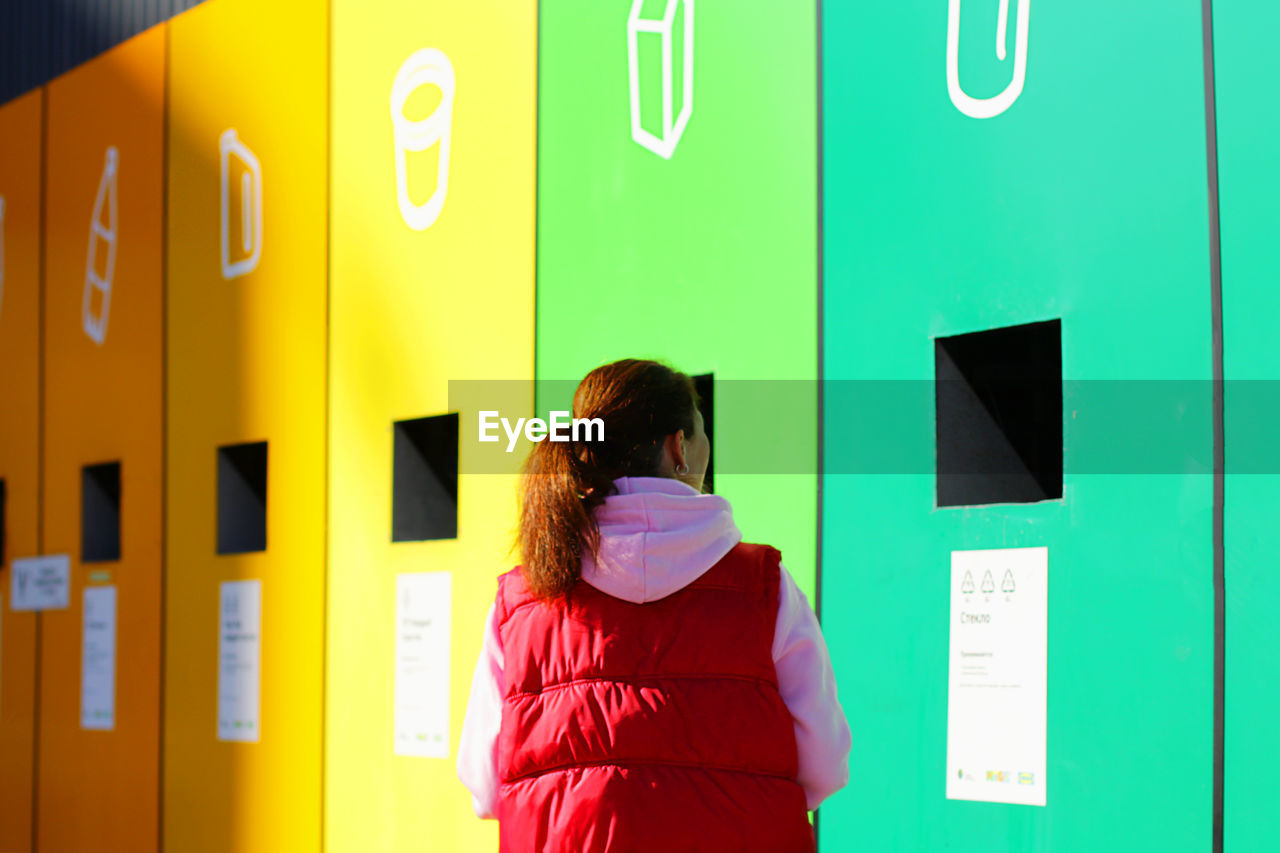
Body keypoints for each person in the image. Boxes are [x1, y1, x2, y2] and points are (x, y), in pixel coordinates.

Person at [457, 358, 851, 852]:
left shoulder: (521, 599)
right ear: (679, 448)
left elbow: (485, 785)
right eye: (703, 432)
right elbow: (825, 767)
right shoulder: (764, 586)